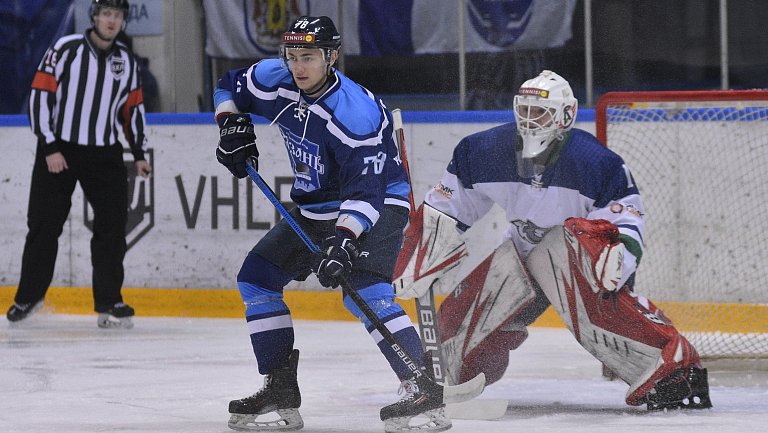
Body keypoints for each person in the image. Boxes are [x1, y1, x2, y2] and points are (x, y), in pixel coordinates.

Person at [394, 70, 712, 411]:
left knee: (585, 280)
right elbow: (447, 209)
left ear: (565, 116)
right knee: (460, 317)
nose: (530, 120)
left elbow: (626, 219)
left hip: (578, 261)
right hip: (522, 251)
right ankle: (443, 377)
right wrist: (423, 250)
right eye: (525, 110)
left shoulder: (595, 162)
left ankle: (673, 370)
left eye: (540, 112)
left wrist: (617, 260)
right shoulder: (482, 151)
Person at [213, 16, 451, 432]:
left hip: (379, 203)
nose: (299, 66)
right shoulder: (277, 79)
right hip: (315, 207)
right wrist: (230, 124)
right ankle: (280, 388)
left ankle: (423, 388)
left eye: (309, 57)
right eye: (292, 56)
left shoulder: (354, 113)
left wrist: (343, 242)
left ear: (331, 57)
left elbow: (368, 192)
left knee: (366, 293)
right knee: (257, 278)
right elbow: (228, 84)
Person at [5, 0, 151, 329]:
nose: (112, 21)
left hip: (105, 153)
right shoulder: (65, 49)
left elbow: (132, 109)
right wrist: (50, 146)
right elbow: (40, 96)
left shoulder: (126, 61)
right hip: (60, 150)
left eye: (118, 15)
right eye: (106, 14)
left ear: (123, 21)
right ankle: (28, 297)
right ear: (95, 17)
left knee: (112, 229)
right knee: (43, 225)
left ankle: (109, 301)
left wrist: (139, 153)